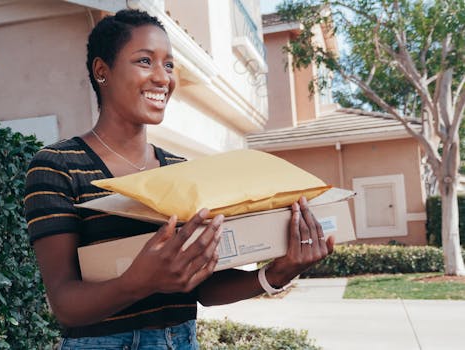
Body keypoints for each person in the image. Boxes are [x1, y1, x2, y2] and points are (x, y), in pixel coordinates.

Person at [24, 9, 334, 349]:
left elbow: (204, 288)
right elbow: (64, 304)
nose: (163, 78)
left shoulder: (180, 171)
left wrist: (276, 274)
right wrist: (137, 282)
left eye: (169, 65)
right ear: (103, 71)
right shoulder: (57, 167)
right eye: (145, 61)